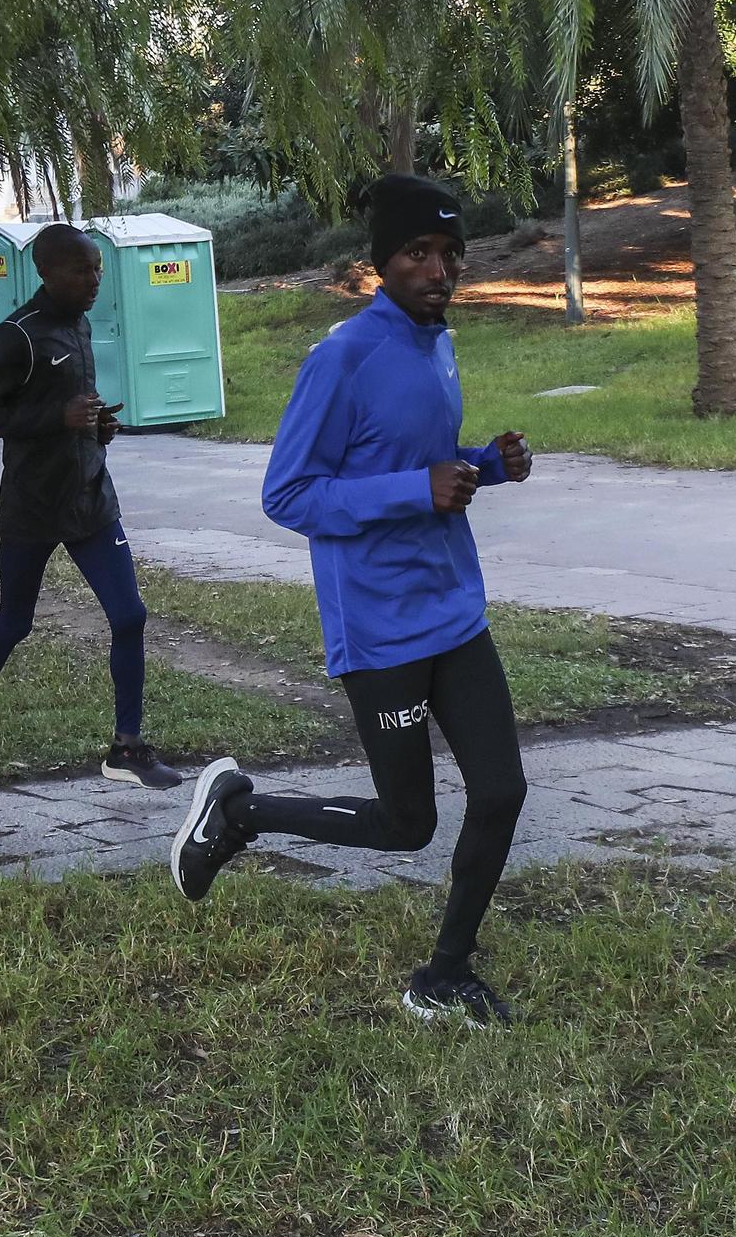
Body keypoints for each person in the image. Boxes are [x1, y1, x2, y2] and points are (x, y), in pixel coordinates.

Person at [171, 173, 534, 1028]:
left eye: (451, 254)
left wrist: (484, 460)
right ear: (381, 262)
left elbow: (419, 459)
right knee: (408, 823)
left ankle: (445, 972)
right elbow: (290, 494)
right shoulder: (343, 356)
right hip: (379, 627)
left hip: (454, 607)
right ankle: (243, 811)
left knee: (502, 791)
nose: (438, 270)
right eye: (418, 253)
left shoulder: (435, 341)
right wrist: (418, 488)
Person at [0, 223, 179, 791]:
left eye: (97, 268)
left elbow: (75, 411)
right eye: (82, 270)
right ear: (47, 272)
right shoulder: (16, 336)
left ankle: (127, 745)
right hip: (32, 505)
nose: (94, 279)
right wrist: (58, 420)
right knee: (15, 620)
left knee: (130, 615)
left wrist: (99, 426)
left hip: (92, 498)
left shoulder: (80, 323)